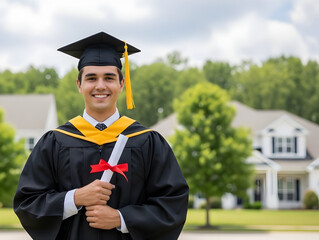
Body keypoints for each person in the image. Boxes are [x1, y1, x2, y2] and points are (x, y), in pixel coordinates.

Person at [13, 32, 189, 240]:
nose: (100, 86)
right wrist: (76, 198)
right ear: (79, 85)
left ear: (121, 84)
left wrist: (122, 218)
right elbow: (28, 204)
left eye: (109, 77)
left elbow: (172, 205)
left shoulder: (147, 141)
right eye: (91, 78)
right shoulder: (55, 142)